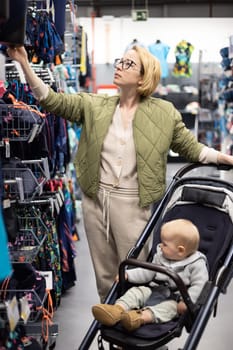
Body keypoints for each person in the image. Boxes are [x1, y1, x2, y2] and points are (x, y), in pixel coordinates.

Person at [6, 44, 233, 302]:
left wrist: (222, 158)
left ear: (143, 76)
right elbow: (52, 100)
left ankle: (137, 330)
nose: (118, 66)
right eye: (119, 61)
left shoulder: (164, 113)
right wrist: (24, 63)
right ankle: (111, 331)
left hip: (133, 204)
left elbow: (191, 148)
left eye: (128, 64)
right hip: (95, 201)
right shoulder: (94, 104)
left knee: (137, 272)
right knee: (105, 278)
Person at [92, 219, 209, 332]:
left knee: (167, 309)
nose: (160, 246)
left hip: (176, 299)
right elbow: (147, 272)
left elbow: (200, 285)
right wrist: (128, 274)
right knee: (136, 292)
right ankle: (116, 310)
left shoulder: (196, 264)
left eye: (165, 244)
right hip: (154, 289)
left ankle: (139, 318)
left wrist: (187, 301)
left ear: (180, 250)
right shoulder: (161, 256)